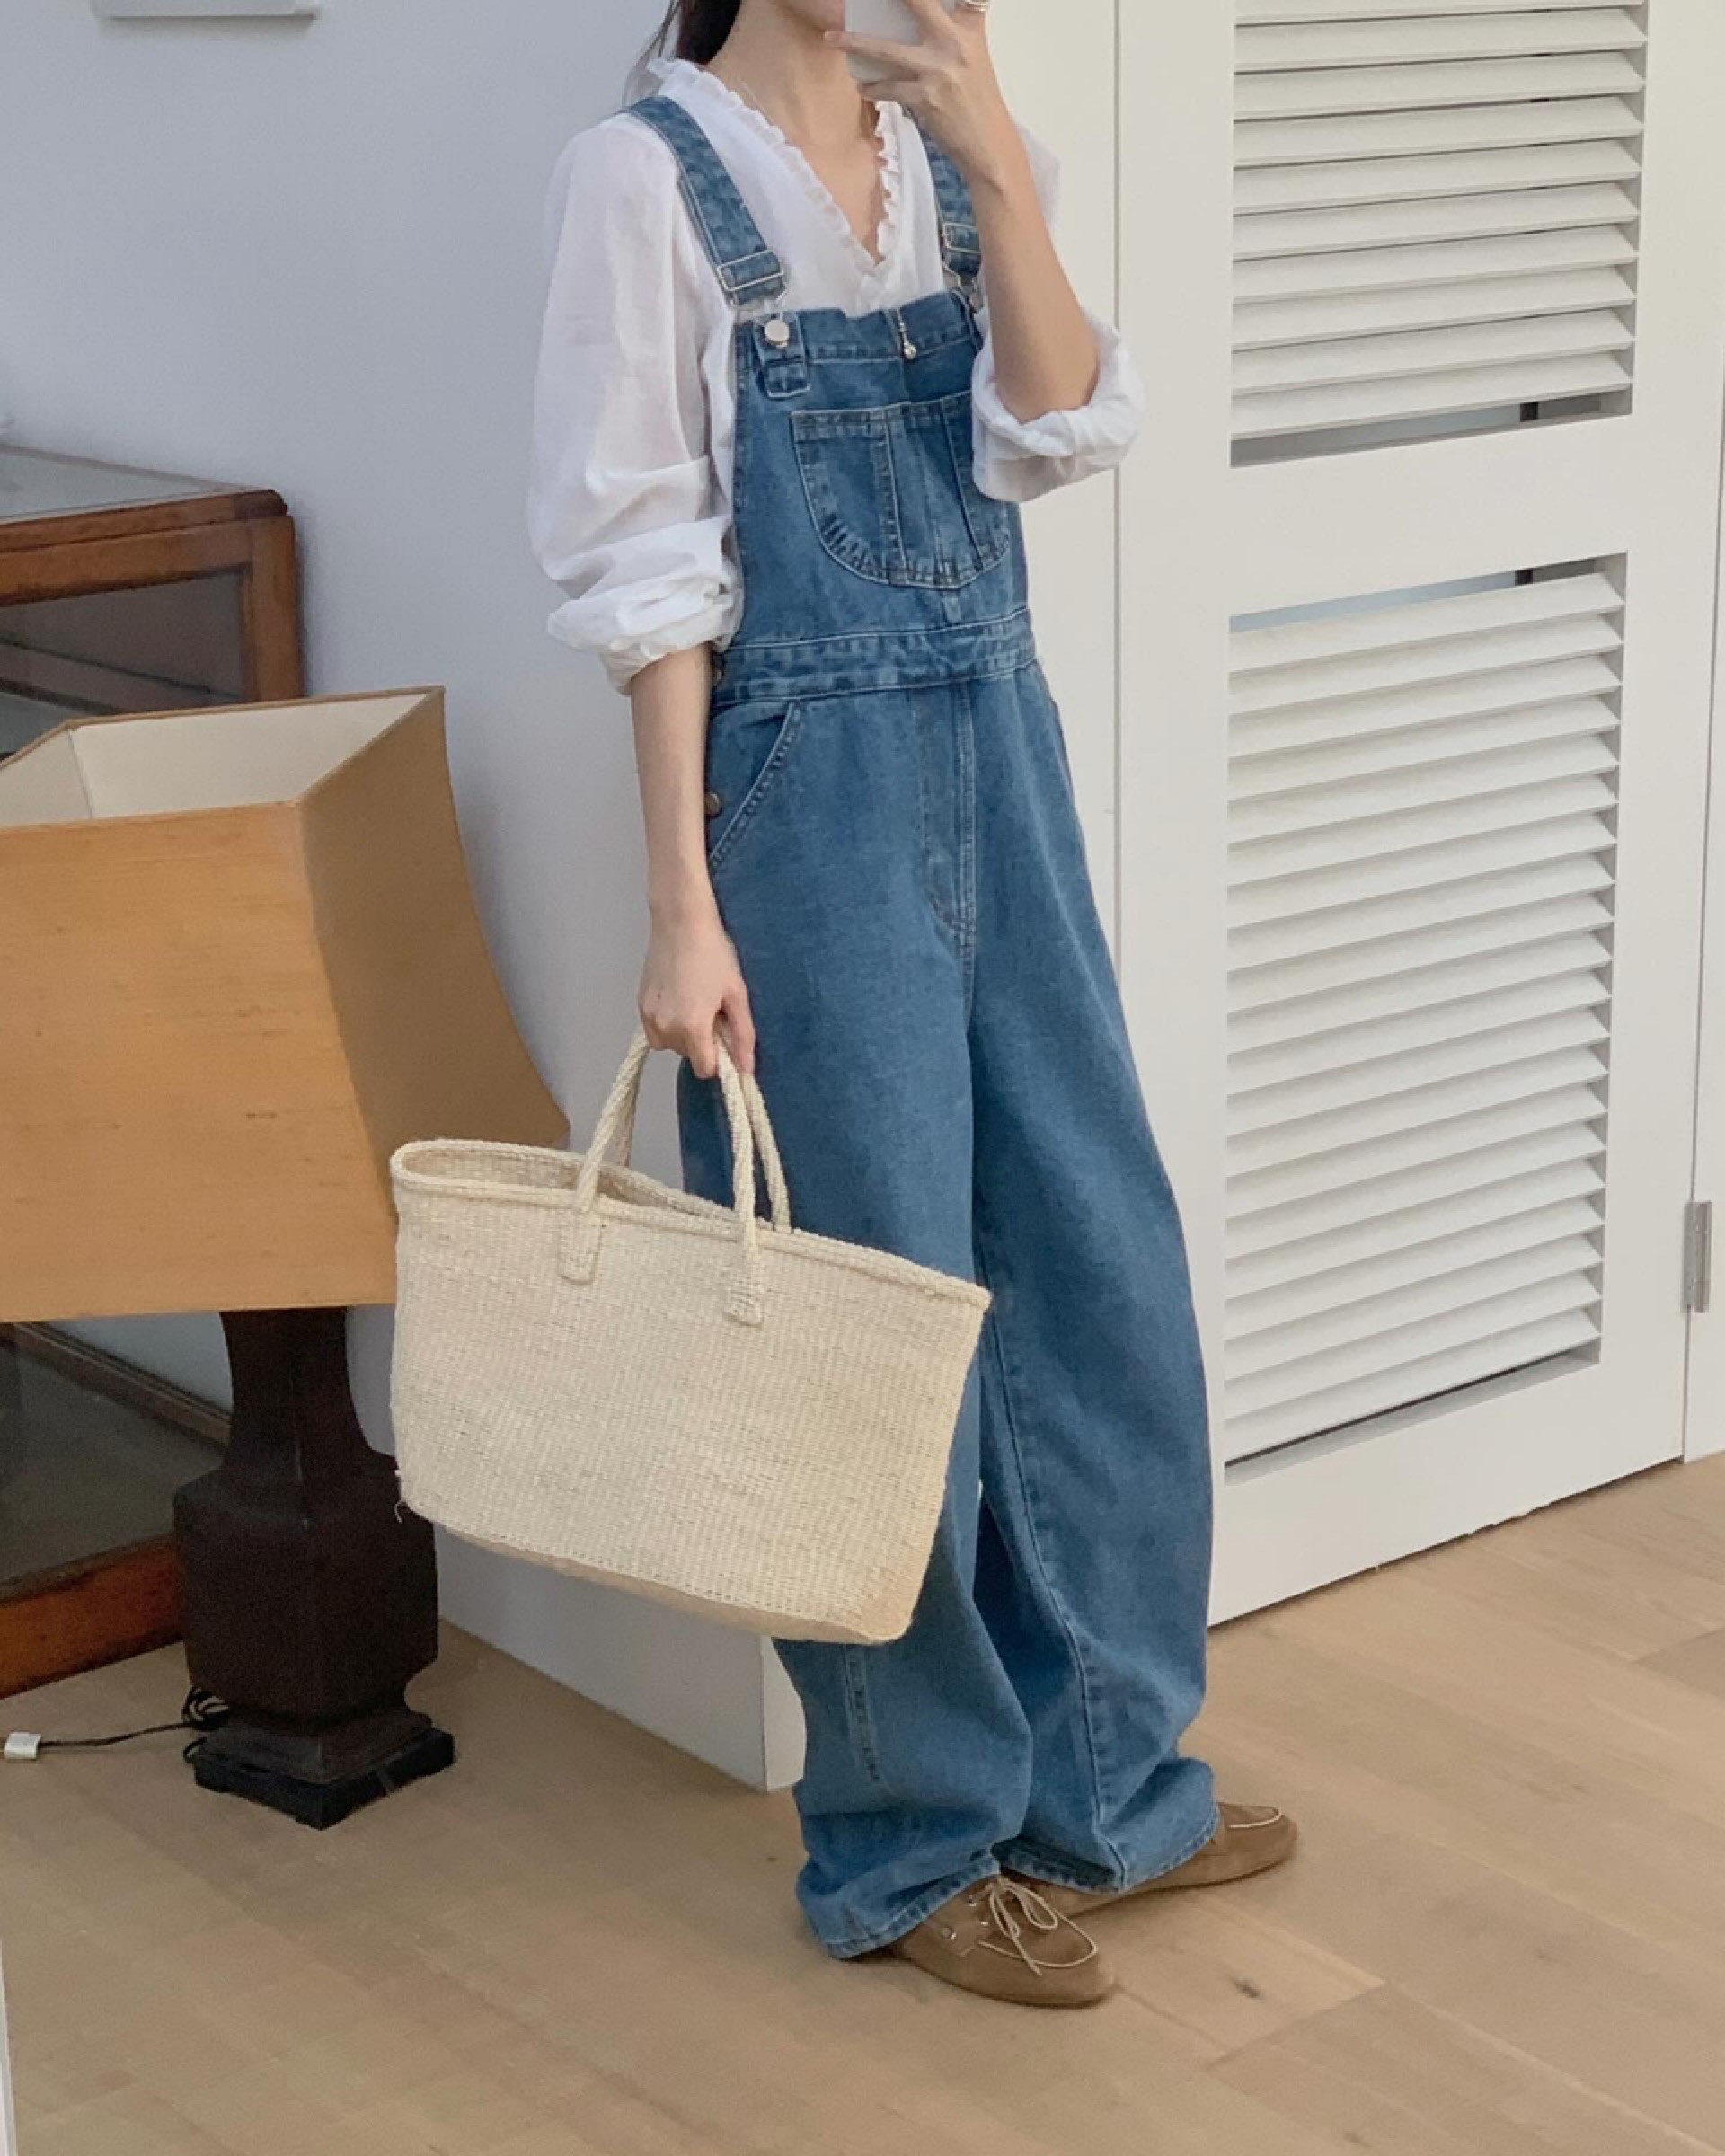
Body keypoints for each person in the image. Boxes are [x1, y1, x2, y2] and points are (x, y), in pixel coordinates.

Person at [527, 0, 1295, 2009]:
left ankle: (1107, 1794)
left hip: (1001, 757)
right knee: (863, 1334)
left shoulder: (948, 157)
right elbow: (647, 571)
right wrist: (680, 908)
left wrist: (994, 149)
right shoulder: (645, 178)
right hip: (796, 795)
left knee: (1094, 1270)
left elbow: (1059, 428)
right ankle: (911, 1844)